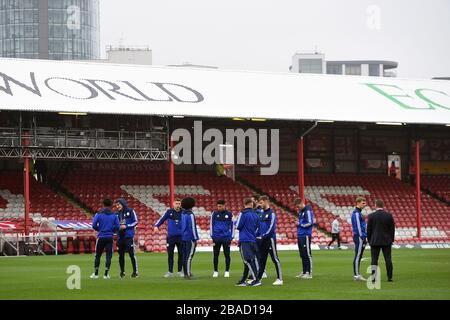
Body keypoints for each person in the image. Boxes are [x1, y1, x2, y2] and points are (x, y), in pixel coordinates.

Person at [256, 195, 283, 286]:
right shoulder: (261, 213)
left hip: (270, 239)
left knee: (275, 259)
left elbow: (272, 228)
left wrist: (263, 235)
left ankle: (280, 278)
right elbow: (259, 227)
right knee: (262, 260)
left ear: (266, 201)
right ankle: (258, 279)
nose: (260, 204)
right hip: (262, 240)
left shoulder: (271, 213)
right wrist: (257, 235)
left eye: (261, 202)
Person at [90, 198, 120, 279]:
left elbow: (93, 225)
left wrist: (99, 229)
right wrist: (112, 231)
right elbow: (117, 227)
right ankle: (106, 274)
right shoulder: (114, 215)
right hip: (109, 237)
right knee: (109, 256)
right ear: (111, 205)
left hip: (101, 237)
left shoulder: (98, 214)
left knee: (98, 255)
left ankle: (96, 274)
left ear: (103, 204)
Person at [154, 198, 184, 278]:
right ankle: (170, 272)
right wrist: (156, 226)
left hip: (181, 237)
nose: (178, 205)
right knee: (170, 255)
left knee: (181, 254)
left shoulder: (183, 212)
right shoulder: (169, 212)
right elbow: (161, 219)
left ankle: (179, 271)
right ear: (173, 204)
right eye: (176, 203)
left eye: (179, 204)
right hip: (171, 237)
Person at [367, 199, 395, 282]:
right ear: (383, 205)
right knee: (388, 259)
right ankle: (389, 277)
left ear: (375, 205)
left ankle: (374, 277)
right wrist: (391, 239)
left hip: (375, 241)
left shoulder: (371, 216)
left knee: (374, 259)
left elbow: (369, 230)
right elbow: (392, 229)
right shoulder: (388, 215)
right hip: (386, 241)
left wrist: (369, 240)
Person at [235, 198, 260, 287]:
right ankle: (243, 279)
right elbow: (257, 228)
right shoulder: (256, 215)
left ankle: (256, 279)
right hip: (253, 239)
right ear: (252, 204)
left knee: (247, 260)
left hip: (245, 239)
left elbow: (238, 226)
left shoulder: (243, 213)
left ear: (245, 204)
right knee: (249, 260)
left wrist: (234, 220)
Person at [115, 198, 139, 279]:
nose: (117, 206)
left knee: (131, 254)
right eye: (116, 205)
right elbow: (114, 225)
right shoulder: (116, 214)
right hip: (120, 237)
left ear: (123, 204)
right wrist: (118, 227)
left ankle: (135, 272)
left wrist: (127, 226)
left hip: (128, 236)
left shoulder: (131, 211)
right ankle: (122, 272)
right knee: (120, 255)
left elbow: (136, 221)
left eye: (119, 204)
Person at [210, 200, 234, 278]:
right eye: (218, 206)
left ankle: (227, 271)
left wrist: (231, 237)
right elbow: (211, 225)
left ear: (224, 205)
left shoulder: (230, 214)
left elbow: (232, 226)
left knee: (227, 255)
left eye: (220, 206)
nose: (219, 208)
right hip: (216, 238)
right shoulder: (214, 214)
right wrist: (212, 236)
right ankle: (215, 271)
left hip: (226, 238)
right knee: (215, 255)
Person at [295, 198, 314, 279]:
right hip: (300, 235)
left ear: (301, 203)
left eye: (298, 206)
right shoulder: (301, 212)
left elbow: (310, 222)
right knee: (302, 254)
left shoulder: (308, 210)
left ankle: (309, 272)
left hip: (306, 235)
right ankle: (304, 271)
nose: (298, 208)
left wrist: (300, 224)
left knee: (307, 254)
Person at [181, 197, 199, 279]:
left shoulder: (183, 214)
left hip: (184, 237)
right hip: (190, 238)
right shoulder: (190, 214)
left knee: (185, 256)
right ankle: (187, 274)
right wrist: (195, 238)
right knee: (189, 256)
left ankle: (186, 272)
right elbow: (192, 227)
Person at [351, 196, 367, 281]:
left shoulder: (359, 213)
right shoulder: (356, 213)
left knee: (359, 255)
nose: (365, 204)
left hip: (360, 236)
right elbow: (358, 226)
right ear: (358, 203)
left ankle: (357, 274)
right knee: (358, 255)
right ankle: (357, 275)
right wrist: (362, 237)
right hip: (359, 237)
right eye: (363, 203)